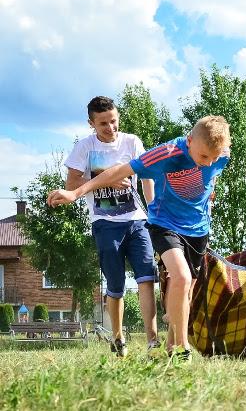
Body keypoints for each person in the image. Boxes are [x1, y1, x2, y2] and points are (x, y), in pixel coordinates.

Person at [49, 115, 231, 361]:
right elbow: (117, 172)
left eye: (214, 158)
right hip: (165, 225)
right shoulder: (167, 153)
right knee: (181, 277)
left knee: (186, 292)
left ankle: (171, 345)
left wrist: (210, 190)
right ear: (189, 141)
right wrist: (75, 193)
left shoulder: (222, 154)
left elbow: (213, 172)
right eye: (203, 157)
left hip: (199, 229)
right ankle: (182, 348)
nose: (208, 163)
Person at [63, 96, 158, 357]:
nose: (110, 128)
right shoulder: (84, 147)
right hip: (105, 223)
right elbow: (72, 185)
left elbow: (147, 177)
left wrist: (153, 212)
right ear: (91, 123)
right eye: (103, 123)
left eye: (113, 121)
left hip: (136, 220)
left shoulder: (132, 142)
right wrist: (108, 180)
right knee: (115, 285)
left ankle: (152, 341)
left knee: (147, 277)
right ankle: (118, 338)